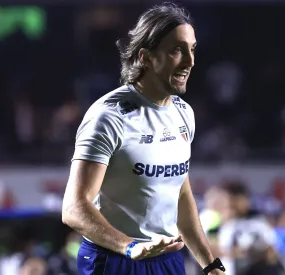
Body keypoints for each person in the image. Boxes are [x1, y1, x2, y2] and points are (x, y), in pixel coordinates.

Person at [61, 3, 226, 275]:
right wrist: (129, 247)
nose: (189, 61)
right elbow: (74, 208)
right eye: (176, 50)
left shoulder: (183, 114)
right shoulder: (109, 116)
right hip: (116, 258)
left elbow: (181, 195)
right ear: (146, 57)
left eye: (192, 49)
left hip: (168, 260)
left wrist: (210, 264)